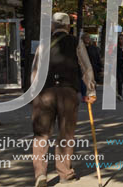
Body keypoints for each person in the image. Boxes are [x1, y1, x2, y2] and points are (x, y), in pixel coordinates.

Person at [30, 12, 96, 187]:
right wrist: (90, 91)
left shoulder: (43, 44)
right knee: (66, 133)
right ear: (68, 26)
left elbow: (35, 70)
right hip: (67, 92)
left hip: (45, 93)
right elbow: (86, 67)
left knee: (41, 135)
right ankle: (65, 173)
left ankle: (40, 175)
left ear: (52, 26)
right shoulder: (76, 42)